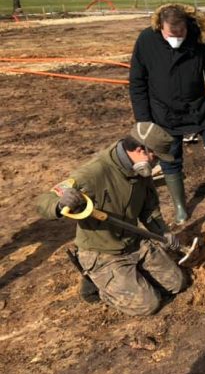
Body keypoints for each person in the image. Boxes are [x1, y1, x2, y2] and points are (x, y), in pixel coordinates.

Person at [36, 122, 186, 316]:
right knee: (148, 305)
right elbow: (43, 201)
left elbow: (149, 209)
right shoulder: (94, 172)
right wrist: (60, 203)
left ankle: (130, 278)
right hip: (103, 252)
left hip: (134, 242)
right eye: (155, 157)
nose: (156, 163)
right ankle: (97, 283)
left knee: (177, 284)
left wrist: (162, 231)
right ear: (141, 150)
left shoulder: (140, 170)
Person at [129, 3, 205, 224]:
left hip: (199, 108)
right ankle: (180, 206)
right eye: (171, 34)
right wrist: (143, 120)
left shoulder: (198, 39)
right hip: (163, 112)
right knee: (170, 158)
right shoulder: (146, 41)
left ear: (187, 27)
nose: (177, 38)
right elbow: (137, 82)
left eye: (181, 33)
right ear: (160, 27)